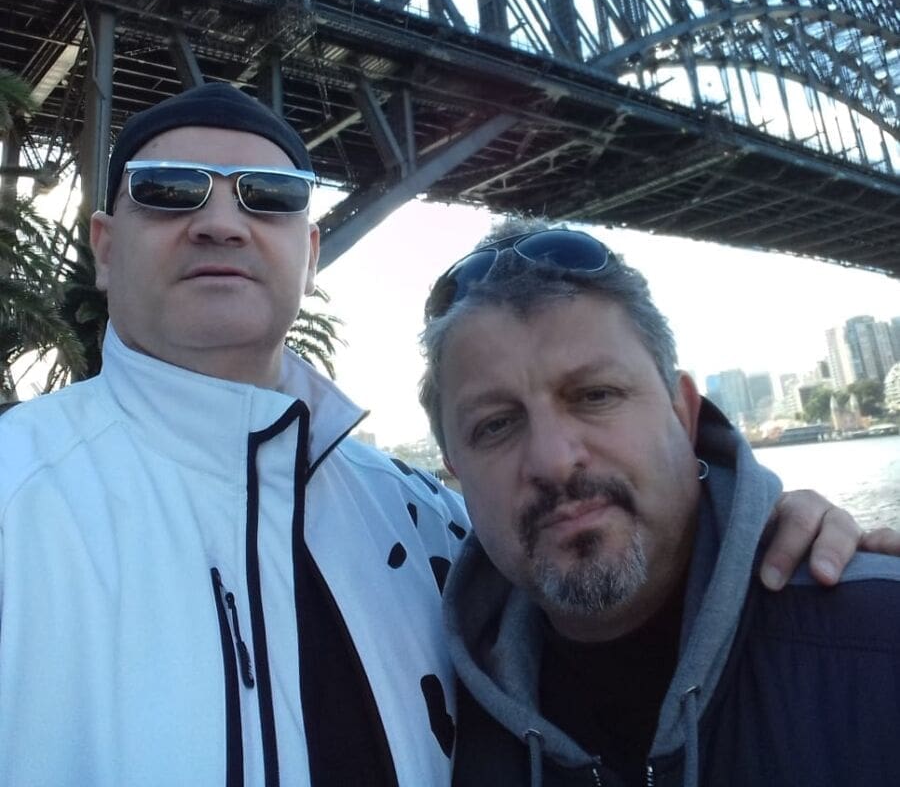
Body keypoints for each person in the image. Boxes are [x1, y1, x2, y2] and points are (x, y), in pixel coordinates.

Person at [0, 89, 890, 787]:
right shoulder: (16, 498)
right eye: (168, 190)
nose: (222, 221)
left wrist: (760, 529)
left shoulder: (432, 523)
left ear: (309, 253)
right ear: (104, 247)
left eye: (269, 198)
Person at [419, 221, 900, 787]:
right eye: (496, 425)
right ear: (457, 475)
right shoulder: (431, 722)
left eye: (595, 395)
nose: (553, 460)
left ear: (683, 414)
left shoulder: (879, 644)